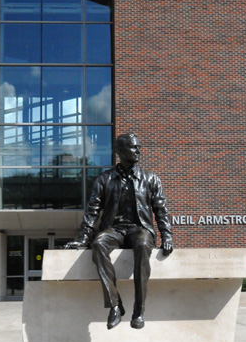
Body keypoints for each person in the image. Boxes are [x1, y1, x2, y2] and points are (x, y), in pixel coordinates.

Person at [65, 133, 173, 329]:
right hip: (114, 230)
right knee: (98, 244)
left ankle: (139, 310)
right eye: (133, 147)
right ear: (120, 151)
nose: (138, 150)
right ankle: (115, 305)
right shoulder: (104, 179)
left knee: (142, 245)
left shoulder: (150, 179)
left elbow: (161, 210)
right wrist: (82, 239)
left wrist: (167, 235)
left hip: (140, 229)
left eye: (138, 146)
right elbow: (92, 211)